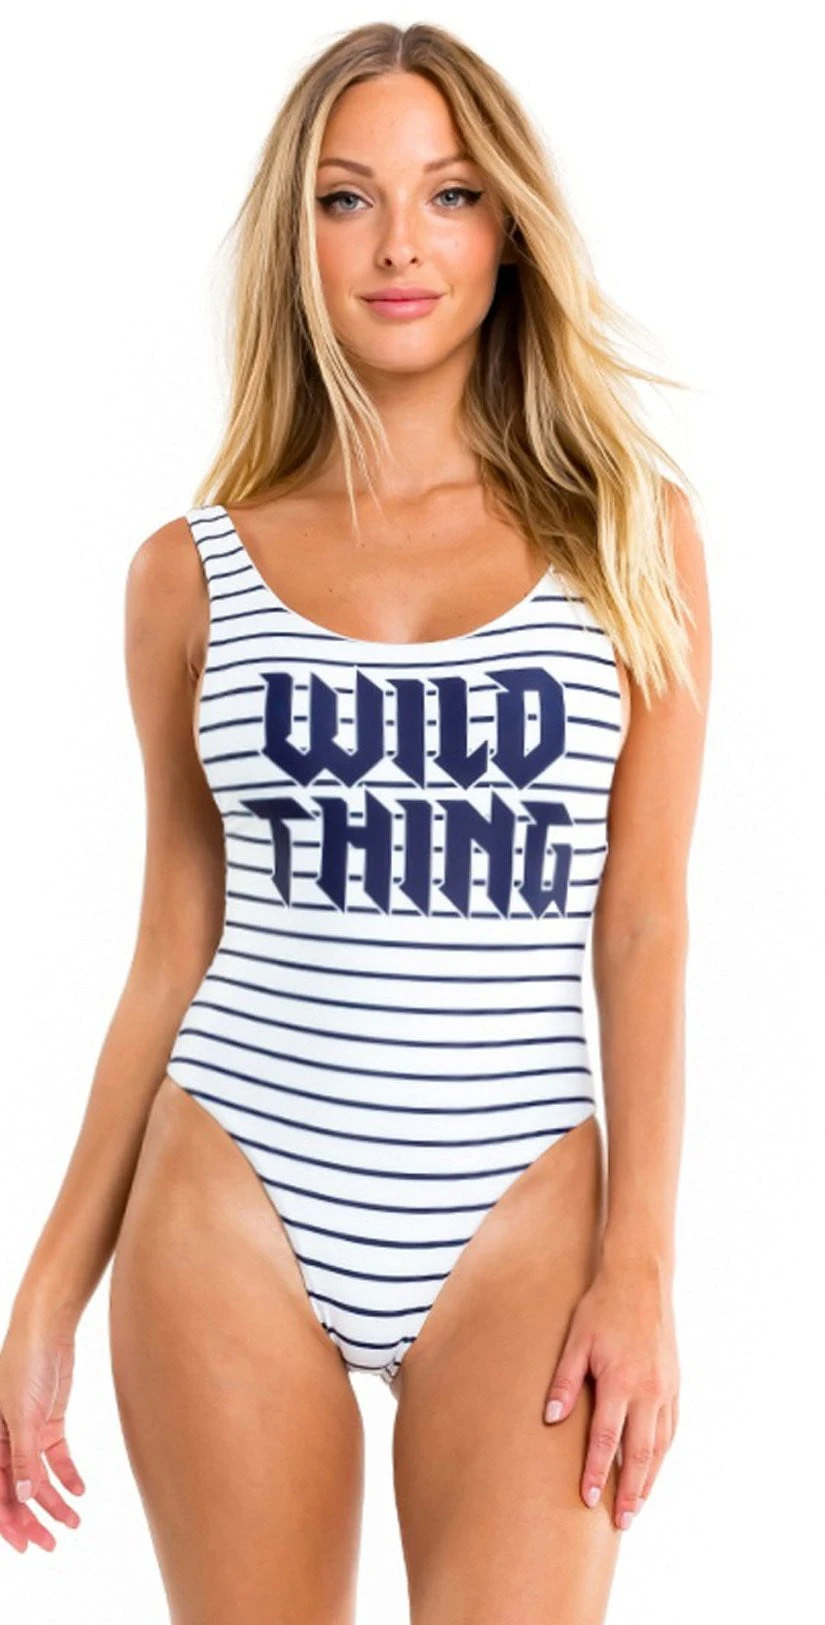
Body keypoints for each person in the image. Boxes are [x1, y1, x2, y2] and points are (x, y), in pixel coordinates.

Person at [0, 20, 711, 1623]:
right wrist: (49, 1287)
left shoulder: (629, 538)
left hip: (525, 1213)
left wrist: (643, 1266)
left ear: (507, 228)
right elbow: (172, 946)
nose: (400, 244)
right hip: (229, 1196)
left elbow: (647, 918)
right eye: (348, 197)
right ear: (296, 235)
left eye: (450, 194)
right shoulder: (188, 575)